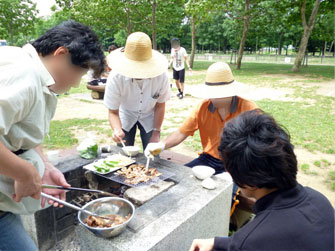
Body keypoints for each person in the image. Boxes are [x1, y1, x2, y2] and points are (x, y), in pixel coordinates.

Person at [0, 20, 105, 250]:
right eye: (79, 72)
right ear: (61, 53)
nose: (77, 83)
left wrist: (44, 166)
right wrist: (25, 172)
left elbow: (21, 131)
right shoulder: (22, 73)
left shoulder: (35, 75)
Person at [189, 110, 335, 251]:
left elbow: (254, 242)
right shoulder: (319, 200)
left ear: (251, 183)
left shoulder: (252, 239)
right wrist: (218, 242)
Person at [104, 32, 171, 150]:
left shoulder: (161, 75)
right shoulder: (116, 77)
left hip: (150, 116)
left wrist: (156, 133)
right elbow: (113, 111)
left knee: (153, 155)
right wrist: (117, 129)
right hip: (126, 115)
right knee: (122, 156)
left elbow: (160, 105)